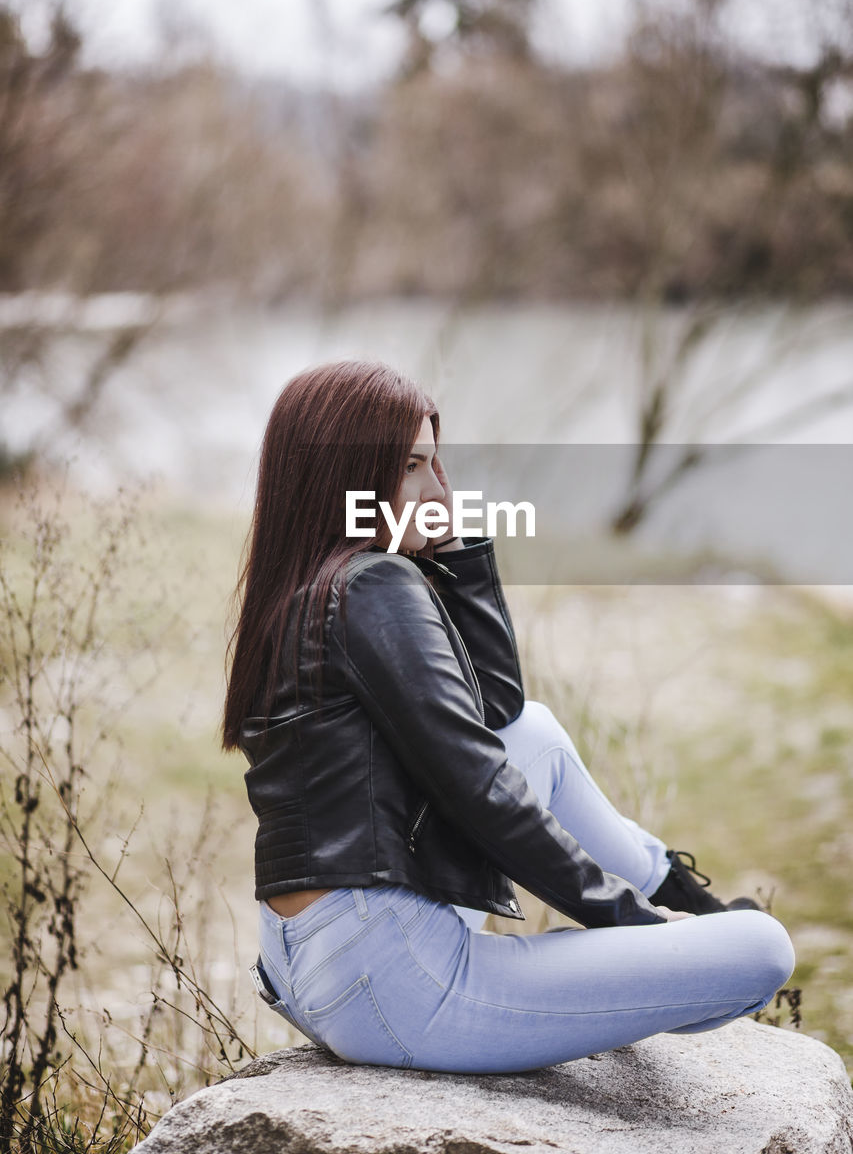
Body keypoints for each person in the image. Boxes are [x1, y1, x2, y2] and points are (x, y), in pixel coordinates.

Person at [220, 358, 795, 1074]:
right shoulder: (374, 585)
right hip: (392, 976)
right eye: (412, 466)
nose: (438, 492)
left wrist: (457, 551)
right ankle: (666, 928)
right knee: (764, 949)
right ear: (350, 475)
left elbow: (496, 713)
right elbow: (478, 785)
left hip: (310, 962)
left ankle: (680, 902)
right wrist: (629, 922)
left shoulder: (305, 587)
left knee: (537, 736)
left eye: (437, 464)